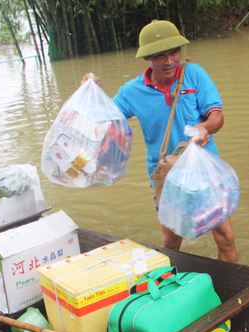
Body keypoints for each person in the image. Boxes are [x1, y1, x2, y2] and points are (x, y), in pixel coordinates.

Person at [83, 20, 237, 262]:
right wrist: (91, 92)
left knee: (226, 237)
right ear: (147, 59)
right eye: (159, 56)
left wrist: (205, 127)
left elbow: (216, 116)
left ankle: (232, 288)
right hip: (167, 172)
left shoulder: (194, 75)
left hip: (204, 167)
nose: (169, 61)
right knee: (172, 241)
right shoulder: (132, 91)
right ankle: (169, 285)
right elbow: (103, 120)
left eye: (174, 52)